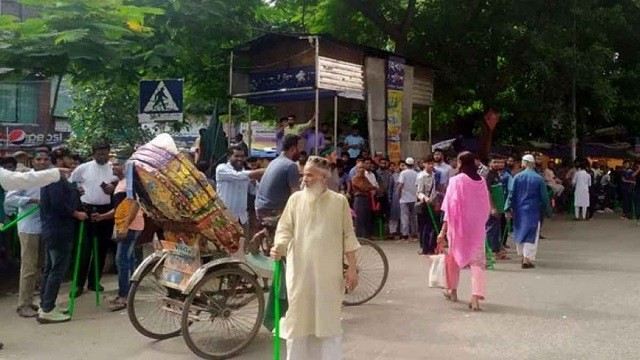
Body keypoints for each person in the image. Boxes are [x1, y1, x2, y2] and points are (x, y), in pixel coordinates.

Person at [270, 155, 360, 360]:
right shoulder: (295, 200)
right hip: (300, 272)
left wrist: (352, 268)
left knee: (327, 321)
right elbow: (284, 229)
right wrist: (279, 247)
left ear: (323, 177)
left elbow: (348, 235)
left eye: (309, 175)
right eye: (303, 175)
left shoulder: (339, 202)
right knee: (299, 320)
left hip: (328, 275)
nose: (304, 179)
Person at [38, 148, 88, 323]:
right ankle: (47, 308)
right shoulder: (55, 178)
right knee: (56, 270)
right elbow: (58, 205)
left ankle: (45, 303)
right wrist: (76, 213)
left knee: (50, 268)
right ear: (59, 160)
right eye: (68, 158)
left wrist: (75, 192)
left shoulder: (54, 177)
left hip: (53, 229)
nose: (71, 161)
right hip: (58, 230)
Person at [91, 153, 145, 312]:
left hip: (130, 226)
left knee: (122, 260)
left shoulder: (129, 183)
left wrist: (125, 225)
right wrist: (103, 217)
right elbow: (120, 208)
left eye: (116, 164)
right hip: (127, 225)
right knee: (128, 260)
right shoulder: (122, 183)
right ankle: (128, 292)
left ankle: (124, 296)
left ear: (125, 166)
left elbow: (135, 204)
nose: (113, 167)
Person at [437, 152, 491, 311]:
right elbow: (485, 206)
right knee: (478, 263)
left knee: (453, 259)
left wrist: (442, 230)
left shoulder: (455, 181)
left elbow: (450, 208)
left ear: (460, 163)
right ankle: (475, 298)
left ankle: (452, 291)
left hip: (458, 228)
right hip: (476, 228)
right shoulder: (481, 181)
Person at [5, 149, 51, 317]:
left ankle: (31, 301)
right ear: (34, 161)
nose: (43, 162)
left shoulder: (49, 179)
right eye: (39, 159)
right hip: (28, 228)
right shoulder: (25, 178)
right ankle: (22, 305)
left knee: (40, 266)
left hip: (44, 228)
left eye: (46, 159)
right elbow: (10, 199)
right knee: (28, 267)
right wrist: (31, 200)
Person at [69, 142, 118, 296]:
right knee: (84, 249)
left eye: (104, 154)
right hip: (86, 210)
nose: (102, 157)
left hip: (106, 211)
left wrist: (113, 188)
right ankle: (78, 284)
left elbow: (121, 185)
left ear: (108, 153)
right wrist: (77, 189)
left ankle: (94, 281)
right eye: (99, 154)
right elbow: (71, 182)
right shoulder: (84, 168)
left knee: (101, 248)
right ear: (93, 154)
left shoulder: (113, 168)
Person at [504, 154, 552, 269]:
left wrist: (507, 208)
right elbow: (545, 197)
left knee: (520, 232)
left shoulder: (517, 177)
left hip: (519, 210)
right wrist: (549, 211)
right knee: (532, 234)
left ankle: (522, 255)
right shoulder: (539, 178)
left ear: (524, 163)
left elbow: (511, 194)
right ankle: (527, 258)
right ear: (533, 164)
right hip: (533, 211)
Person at [255, 135, 302, 222]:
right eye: (299, 148)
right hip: (274, 211)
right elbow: (296, 196)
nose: (301, 151)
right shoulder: (291, 165)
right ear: (293, 149)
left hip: (260, 208)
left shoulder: (274, 161)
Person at [215, 145, 265, 225]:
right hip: (226, 218)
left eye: (242, 156)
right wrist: (262, 171)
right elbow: (238, 176)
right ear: (229, 157)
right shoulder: (222, 169)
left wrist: (255, 183)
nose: (240, 159)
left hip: (242, 218)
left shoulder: (245, 172)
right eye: (236, 156)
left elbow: (253, 191)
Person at [485, 156, 509, 260]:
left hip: (499, 207)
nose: (498, 164)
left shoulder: (498, 174)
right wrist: (492, 207)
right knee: (490, 230)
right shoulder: (488, 175)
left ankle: (496, 251)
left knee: (497, 230)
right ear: (489, 162)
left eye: (500, 162)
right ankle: (488, 253)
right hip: (492, 208)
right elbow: (487, 192)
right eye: (495, 162)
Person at [416, 155, 439, 254]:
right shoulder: (421, 176)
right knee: (425, 227)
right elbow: (418, 192)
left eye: (432, 163)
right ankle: (425, 248)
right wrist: (425, 198)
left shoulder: (434, 175)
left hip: (432, 203)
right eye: (428, 163)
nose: (430, 165)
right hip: (425, 204)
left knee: (433, 226)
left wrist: (435, 200)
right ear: (424, 164)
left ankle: (432, 247)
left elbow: (434, 190)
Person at [351, 160, 377, 238]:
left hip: (366, 198)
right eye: (359, 168)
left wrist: (371, 188)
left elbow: (372, 186)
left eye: (363, 168)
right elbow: (363, 187)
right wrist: (370, 188)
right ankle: (359, 237)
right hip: (359, 199)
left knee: (367, 217)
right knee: (359, 218)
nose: (361, 169)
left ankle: (366, 236)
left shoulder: (365, 178)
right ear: (356, 169)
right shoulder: (355, 178)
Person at [398, 157, 419, 239]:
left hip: (404, 199)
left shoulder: (403, 173)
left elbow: (400, 185)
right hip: (414, 198)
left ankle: (405, 234)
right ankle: (414, 233)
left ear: (406, 164)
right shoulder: (416, 174)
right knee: (414, 216)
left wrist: (399, 195)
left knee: (404, 216)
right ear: (413, 164)